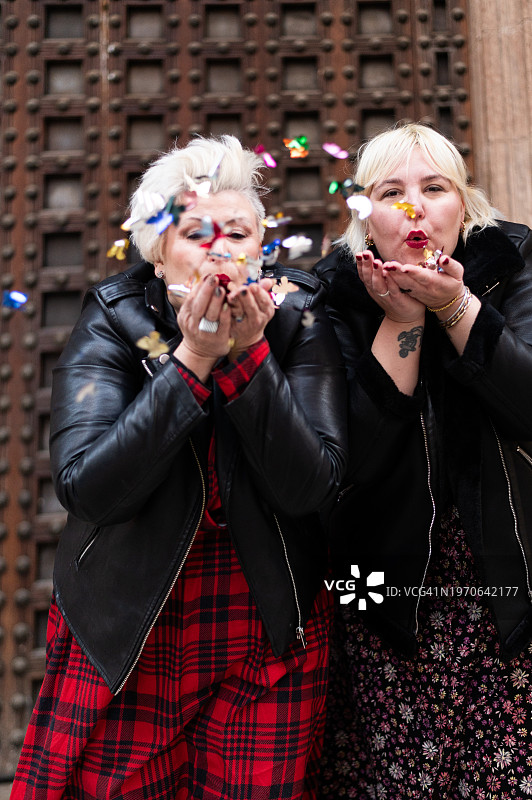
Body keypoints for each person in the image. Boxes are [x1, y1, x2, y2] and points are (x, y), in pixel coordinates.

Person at [11, 135, 347, 800]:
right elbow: (90, 489)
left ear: (262, 246)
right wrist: (191, 359)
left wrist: (249, 354)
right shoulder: (112, 323)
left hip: (264, 618)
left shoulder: (299, 320)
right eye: (197, 233)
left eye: (239, 232)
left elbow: (312, 485)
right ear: (158, 251)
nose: (220, 249)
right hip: (132, 619)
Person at [314, 123, 532, 799]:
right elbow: (353, 461)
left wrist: (455, 306)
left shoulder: (515, 266)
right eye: (391, 191)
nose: (414, 208)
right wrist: (403, 318)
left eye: (433, 188)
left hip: (510, 588)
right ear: (363, 213)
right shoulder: (334, 298)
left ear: (463, 206)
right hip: (386, 600)